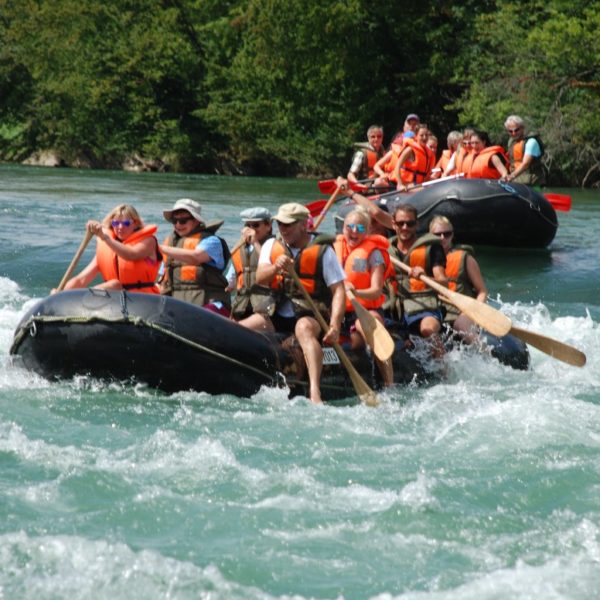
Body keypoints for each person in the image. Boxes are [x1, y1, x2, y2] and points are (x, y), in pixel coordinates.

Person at [239, 202, 346, 404]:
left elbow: (338, 290)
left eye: (288, 225)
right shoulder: (271, 245)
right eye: (280, 224)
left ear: (303, 225)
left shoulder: (323, 251)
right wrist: (276, 268)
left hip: (311, 314)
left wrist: (335, 325)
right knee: (241, 327)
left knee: (303, 328)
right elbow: (261, 278)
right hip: (276, 312)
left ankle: (315, 390)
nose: (283, 229)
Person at [334, 207, 393, 386]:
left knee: (369, 323)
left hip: (366, 309)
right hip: (340, 310)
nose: (353, 232)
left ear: (367, 231)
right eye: (349, 227)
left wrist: (356, 292)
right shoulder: (334, 249)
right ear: (343, 228)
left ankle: (389, 382)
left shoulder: (374, 254)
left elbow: (376, 290)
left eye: (360, 229)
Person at [55, 204, 161, 294]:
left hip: (143, 299)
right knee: (112, 285)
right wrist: (62, 293)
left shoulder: (148, 241)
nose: (120, 227)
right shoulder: (107, 248)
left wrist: (105, 238)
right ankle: (66, 298)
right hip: (114, 303)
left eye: (126, 223)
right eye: (116, 223)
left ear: (136, 223)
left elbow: (131, 255)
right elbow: (82, 279)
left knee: (115, 285)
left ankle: (83, 298)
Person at [388, 204, 447, 358]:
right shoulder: (385, 249)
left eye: (410, 223)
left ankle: (446, 374)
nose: (405, 227)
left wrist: (425, 277)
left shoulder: (432, 247)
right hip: (395, 310)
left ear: (417, 224)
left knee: (428, 328)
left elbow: (443, 283)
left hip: (424, 307)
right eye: (401, 223)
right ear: (394, 224)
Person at [159, 198, 231, 314]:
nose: (178, 225)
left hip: (209, 303)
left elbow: (195, 257)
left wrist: (159, 248)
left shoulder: (212, 241)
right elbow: (162, 281)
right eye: (174, 221)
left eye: (183, 221)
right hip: (178, 303)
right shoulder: (170, 245)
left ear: (196, 221)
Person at [428, 216, 487, 343]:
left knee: (461, 326)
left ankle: (485, 355)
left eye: (447, 234)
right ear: (430, 235)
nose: (442, 238)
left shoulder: (465, 258)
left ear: (452, 235)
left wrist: (476, 312)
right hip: (438, 311)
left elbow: (482, 291)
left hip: (463, 310)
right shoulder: (424, 258)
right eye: (438, 234)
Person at [226, 207, 276, 320]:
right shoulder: (240, 248)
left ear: (268, 226)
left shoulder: (274, 245)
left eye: (256, 225)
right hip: (241, 303)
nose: (251, 230)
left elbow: (270, 263)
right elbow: (231, 280)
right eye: (248, 225)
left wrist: (255, 242)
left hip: (266, 304)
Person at [501, 115, 545, 185]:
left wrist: (511, 176)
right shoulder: (511, 142)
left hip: (532, 183)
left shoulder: (531, 142)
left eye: (516, 130)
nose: (514, 133)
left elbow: (525, 164)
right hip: (517, 181)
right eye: (510, 131)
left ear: (522, 128)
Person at [393, 125, 437, 192]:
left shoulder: (429, 154)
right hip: (406, 184)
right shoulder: (410, 150)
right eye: (421, 135)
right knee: (425, 190)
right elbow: (397, 166)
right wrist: (400, 184)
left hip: (418, 184)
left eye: (426, 135)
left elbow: (426, 176)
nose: (424, 137)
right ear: (416, 136)